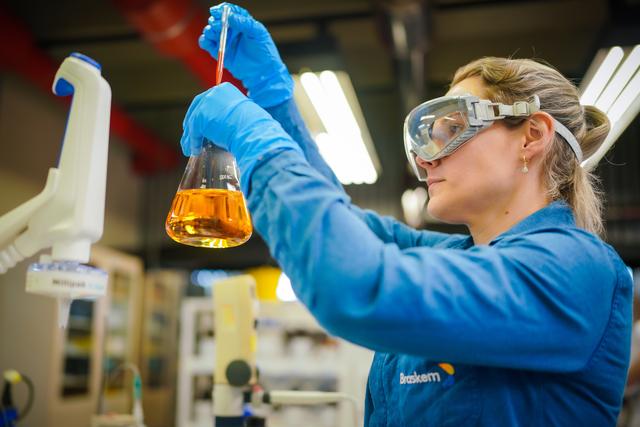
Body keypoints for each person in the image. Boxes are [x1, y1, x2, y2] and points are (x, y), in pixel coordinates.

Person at [181, 3, 633, 425]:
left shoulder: (574, 270)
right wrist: (274, 101)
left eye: (453, 129)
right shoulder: (461, 256)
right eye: (428, 138)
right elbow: (347, 232)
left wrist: (256, 140)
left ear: (531, 136)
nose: (425, 159)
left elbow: (354, 283)